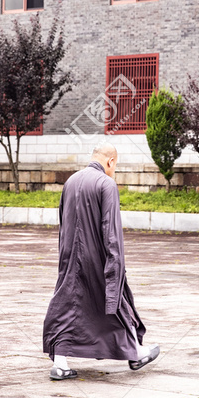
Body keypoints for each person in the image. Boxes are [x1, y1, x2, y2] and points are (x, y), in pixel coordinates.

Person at [42, 143, 159, 380]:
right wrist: (115, 266)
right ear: (111, 162)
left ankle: (60, 363)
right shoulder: (106, 184)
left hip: (69, 257)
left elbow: (63, 223)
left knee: (67, 306)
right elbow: (111, 231)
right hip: (96, 256)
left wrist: (64, 257)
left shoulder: (71, 181)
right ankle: (136, 353)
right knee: (115, 303)